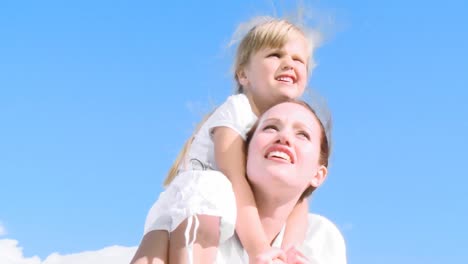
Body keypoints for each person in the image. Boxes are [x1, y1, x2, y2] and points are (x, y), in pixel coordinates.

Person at [131, 16, 320, 264]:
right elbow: (234, 180)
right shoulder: (237, 111)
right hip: (195, 203)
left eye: (298, 59)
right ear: (243, 74)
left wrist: (285, 252)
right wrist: (259, 248)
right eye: (275, 55)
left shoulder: (283, 124)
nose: (288, 63)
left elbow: (298, 201)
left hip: (203, 209)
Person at [216, 100, 346, 263]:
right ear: (246, 154)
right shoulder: (205, 214)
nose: (284, 137)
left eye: (302, 134)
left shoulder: (321, 237)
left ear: (318, 175)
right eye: (270, 128)